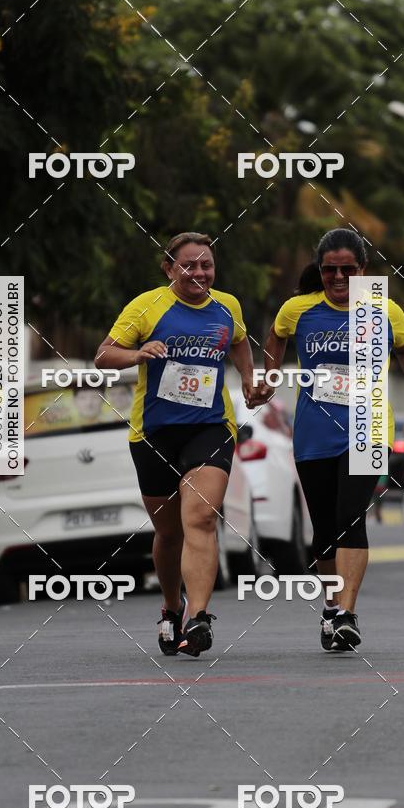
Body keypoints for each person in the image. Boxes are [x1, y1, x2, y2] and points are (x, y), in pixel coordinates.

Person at [260, 228, 404, 651]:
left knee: (349, 517)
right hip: (315, 430)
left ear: (363, 270)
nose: (339, 278)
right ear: (320, 271)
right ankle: (331, 606)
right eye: (330, 271)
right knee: (323, 529)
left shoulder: (383, 308)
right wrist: (267, 380)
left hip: (369, 423)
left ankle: (347, 613)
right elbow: (275, 340)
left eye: (348, 270)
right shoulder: (298, 309)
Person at [95, 232, 256, 657]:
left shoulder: (228, 305)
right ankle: (171, 607)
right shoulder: (147, 306)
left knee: (200, 517)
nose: (199, 273)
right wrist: (137, 354)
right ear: (169, 269)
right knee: (168, 532)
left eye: (206, 265)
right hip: (153, 433)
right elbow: (103, 355)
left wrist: (251, 379)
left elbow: (239, 341)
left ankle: (199, 618)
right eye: (189, 265)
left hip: (210, 426)